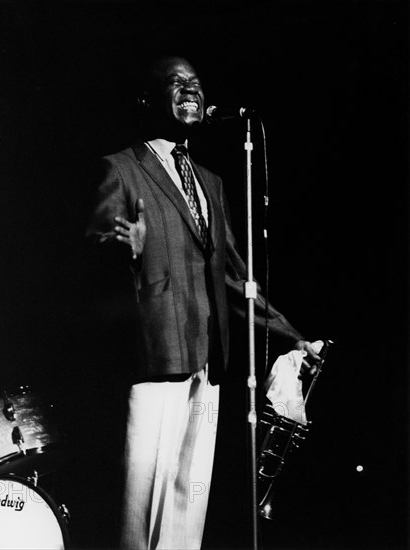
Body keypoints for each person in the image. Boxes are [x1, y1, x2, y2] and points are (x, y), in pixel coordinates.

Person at [85, 54, 321, 550]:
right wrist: (122, 248)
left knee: (187, 505)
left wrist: (293, 335)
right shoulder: (121, 168)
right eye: (175, 82)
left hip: (208, 361)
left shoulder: (211, 182)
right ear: (148, 100)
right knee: (142, 509)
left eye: (196, 83)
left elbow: (237, 278)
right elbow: (96, 248)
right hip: (154, 359)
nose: (190, 89)